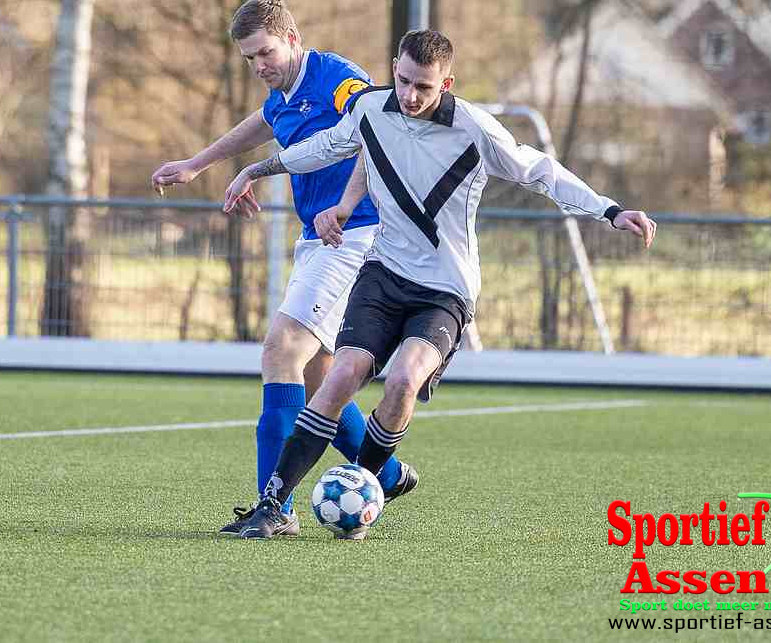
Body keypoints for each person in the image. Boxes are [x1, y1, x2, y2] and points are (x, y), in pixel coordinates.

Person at [222, 28, 656, 538]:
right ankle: (274, 504)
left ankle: (365, 486)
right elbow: (326, 148)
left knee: (404, 379)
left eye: (423, 87)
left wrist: (610, 210)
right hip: (383, 274)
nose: (410, 95)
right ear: (393, 68)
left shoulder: (475, 128)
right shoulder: (371, 109)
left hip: (445, 290)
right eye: (403, 80)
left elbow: (541, 171)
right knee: (340, 377)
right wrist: (259, 167)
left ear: (446, 84)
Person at [151, 0, 412, 537]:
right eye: (250, 59)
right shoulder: (284, 94)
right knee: (317, 372)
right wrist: (200, 163)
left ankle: (276, 507)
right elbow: (262, 122)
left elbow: (374, 129)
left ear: (293, 39)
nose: (260, 66)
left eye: (266, 53)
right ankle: (384, 472)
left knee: (282, 348)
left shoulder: (338, 78)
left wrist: (342, 204)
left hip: (355, 232)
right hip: (319, 238)